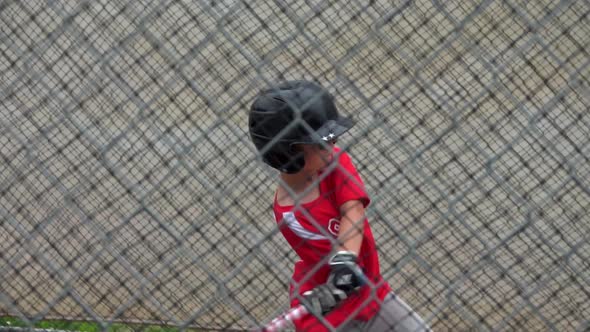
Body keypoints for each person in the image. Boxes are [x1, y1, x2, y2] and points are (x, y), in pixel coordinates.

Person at [248, 80, 430, 331]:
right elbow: (315, 259)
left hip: (367, 287)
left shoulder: (335, 164)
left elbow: (352, 210)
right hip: (326, 304)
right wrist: (330, 289)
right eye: (320, 144)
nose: (331, 147)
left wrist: (345, 261)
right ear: (286, 153)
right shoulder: (289, 214)